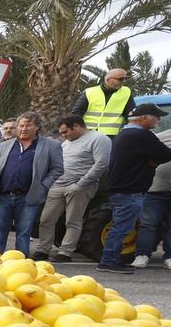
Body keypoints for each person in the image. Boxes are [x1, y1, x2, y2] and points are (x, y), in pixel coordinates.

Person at [97, 104, 171, 273]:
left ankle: (111, 259)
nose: (159, 120)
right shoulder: (142, 135)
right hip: (130, 190)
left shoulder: (125, 133)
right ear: (144, 118)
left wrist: (151, 161)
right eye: (156, 116)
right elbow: (166, 154)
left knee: (120, 225)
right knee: (122, 227)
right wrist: (152, 161)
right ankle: (108, 261)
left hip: (122, 189)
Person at [33, 115, 111, 262]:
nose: (63, 135)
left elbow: (101, 163)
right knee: (46, 219)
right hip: (58, 185)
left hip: (79, 187)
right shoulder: (67, 142)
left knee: (73, 220)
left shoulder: (99, 139)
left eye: (65, 132)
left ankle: (65, 252)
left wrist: (81, 184)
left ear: (76, 126)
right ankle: (43, 249)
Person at [0, 111, 64, 257]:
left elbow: (57, 169)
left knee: (23, 233)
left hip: (28, 198)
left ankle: (21, 264)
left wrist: (43, 186)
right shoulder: (4, 146)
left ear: (37, 127)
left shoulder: (51, 146)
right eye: (21, 125)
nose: (23, 129)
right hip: (3, 197)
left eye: (28, 125)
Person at [133, 140, 171, 269]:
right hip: (154, 190)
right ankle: (142, 255)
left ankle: (170, 256)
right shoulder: (158, 137)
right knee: (148, 224)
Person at [71, 68, 134, 138]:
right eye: (121, 79)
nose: (123, 81)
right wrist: (78, 131)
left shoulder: (126, 92)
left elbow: (131, 114)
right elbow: (76, 113)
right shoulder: (90, 92)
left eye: (125, 78)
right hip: (87, 134)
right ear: (108, 79)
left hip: (112, 136)